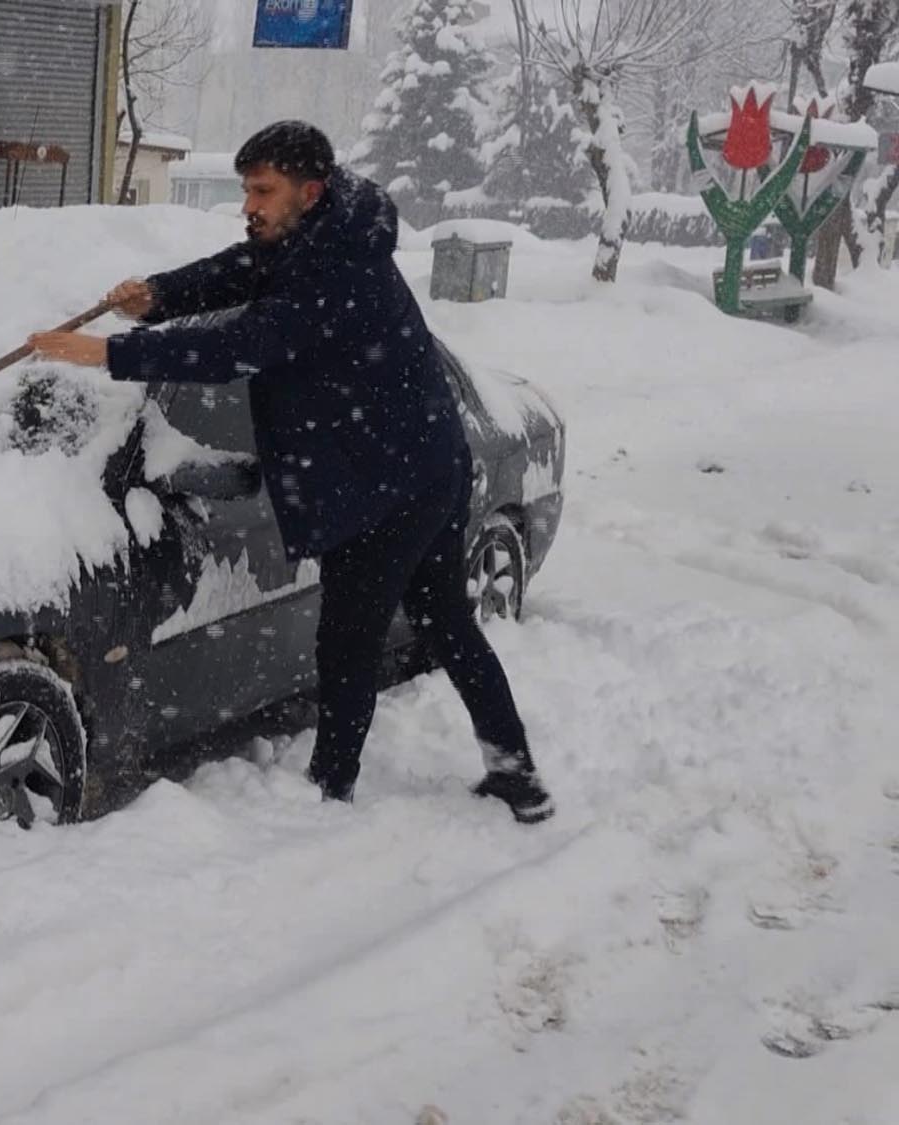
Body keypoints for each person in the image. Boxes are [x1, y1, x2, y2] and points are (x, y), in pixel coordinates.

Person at [29, 121, 553, 824]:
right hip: (419, 458)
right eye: (247, 188)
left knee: (349, 640)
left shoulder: (342, 272)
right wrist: (158, 294)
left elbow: (246, 343)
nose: (250, 204)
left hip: (387, 482)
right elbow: (239, 270)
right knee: (446, 620)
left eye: (263, 190)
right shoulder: (319, 234)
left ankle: (329, 793)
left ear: (310, 190)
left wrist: (110, 354)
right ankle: (517, 776)